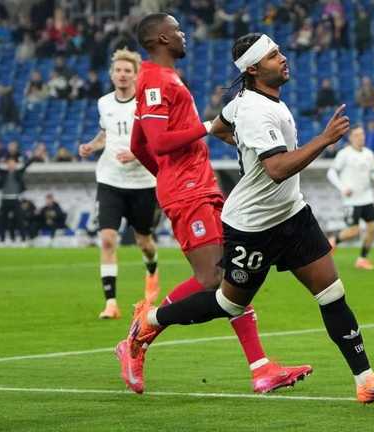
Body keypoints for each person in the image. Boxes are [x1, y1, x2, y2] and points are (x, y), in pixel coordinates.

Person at [124, 32, 374, 403]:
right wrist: (323, 140)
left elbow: (221, 125)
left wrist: (241, 141)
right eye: (275, 55)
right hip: (254, 225)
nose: (284, 58)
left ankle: (366, 380)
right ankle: (149, 322)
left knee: (332, 293)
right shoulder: (256, 111)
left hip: (293, 213)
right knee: (229, 303)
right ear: (255, 68)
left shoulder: (251, 102)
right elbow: (276, 168)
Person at [114, 14, 307, 396]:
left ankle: (261, 368)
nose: (184, 34)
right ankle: (141, 332)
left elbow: (140, 145)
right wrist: (205, 130)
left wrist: (167, 175)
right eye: (178, 30)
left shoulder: (161, 80)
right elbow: (157, 142)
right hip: (190, 191)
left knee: (233, 276)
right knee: (212, 278)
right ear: (163, 38)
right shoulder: (155, 79)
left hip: (194, 186)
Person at [78, 49, 161, 319]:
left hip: (143, 182)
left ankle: (152, 270)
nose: (122, 75)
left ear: (136, 75)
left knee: (144, 242)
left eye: (128, 71)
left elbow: (157, 140)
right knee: (107, 239)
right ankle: (111, 303)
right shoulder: (104, 103)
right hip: (110, 179)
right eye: (118, 70)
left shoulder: (147, 103)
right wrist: (92, 146)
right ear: (112, 74)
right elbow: (106, 133)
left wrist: (137, 153)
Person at [326, 125, 374, 270]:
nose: (361, 137)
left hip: (367, 197)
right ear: (351, 137)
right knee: (354, 231)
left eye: (362, 134)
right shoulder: (344, 154)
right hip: (351, 200)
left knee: (372, 228)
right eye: (357, 135)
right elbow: (331, 173)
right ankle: (333, 240)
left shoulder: (369, 154)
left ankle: (362, 259)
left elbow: (372, 173)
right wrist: (343, 188)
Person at [0, 156, 37, 244]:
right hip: (5, 199)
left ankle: (23, 239)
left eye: (13, 163)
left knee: (20, 219)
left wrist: (34, 157)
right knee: (2, 220)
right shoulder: (3, 173)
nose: (11, 165)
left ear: (15, 165)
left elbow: (26, 165)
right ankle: (2, 239)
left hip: (15, 199)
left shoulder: (18, 173)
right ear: (7, 165)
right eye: (9, 163)